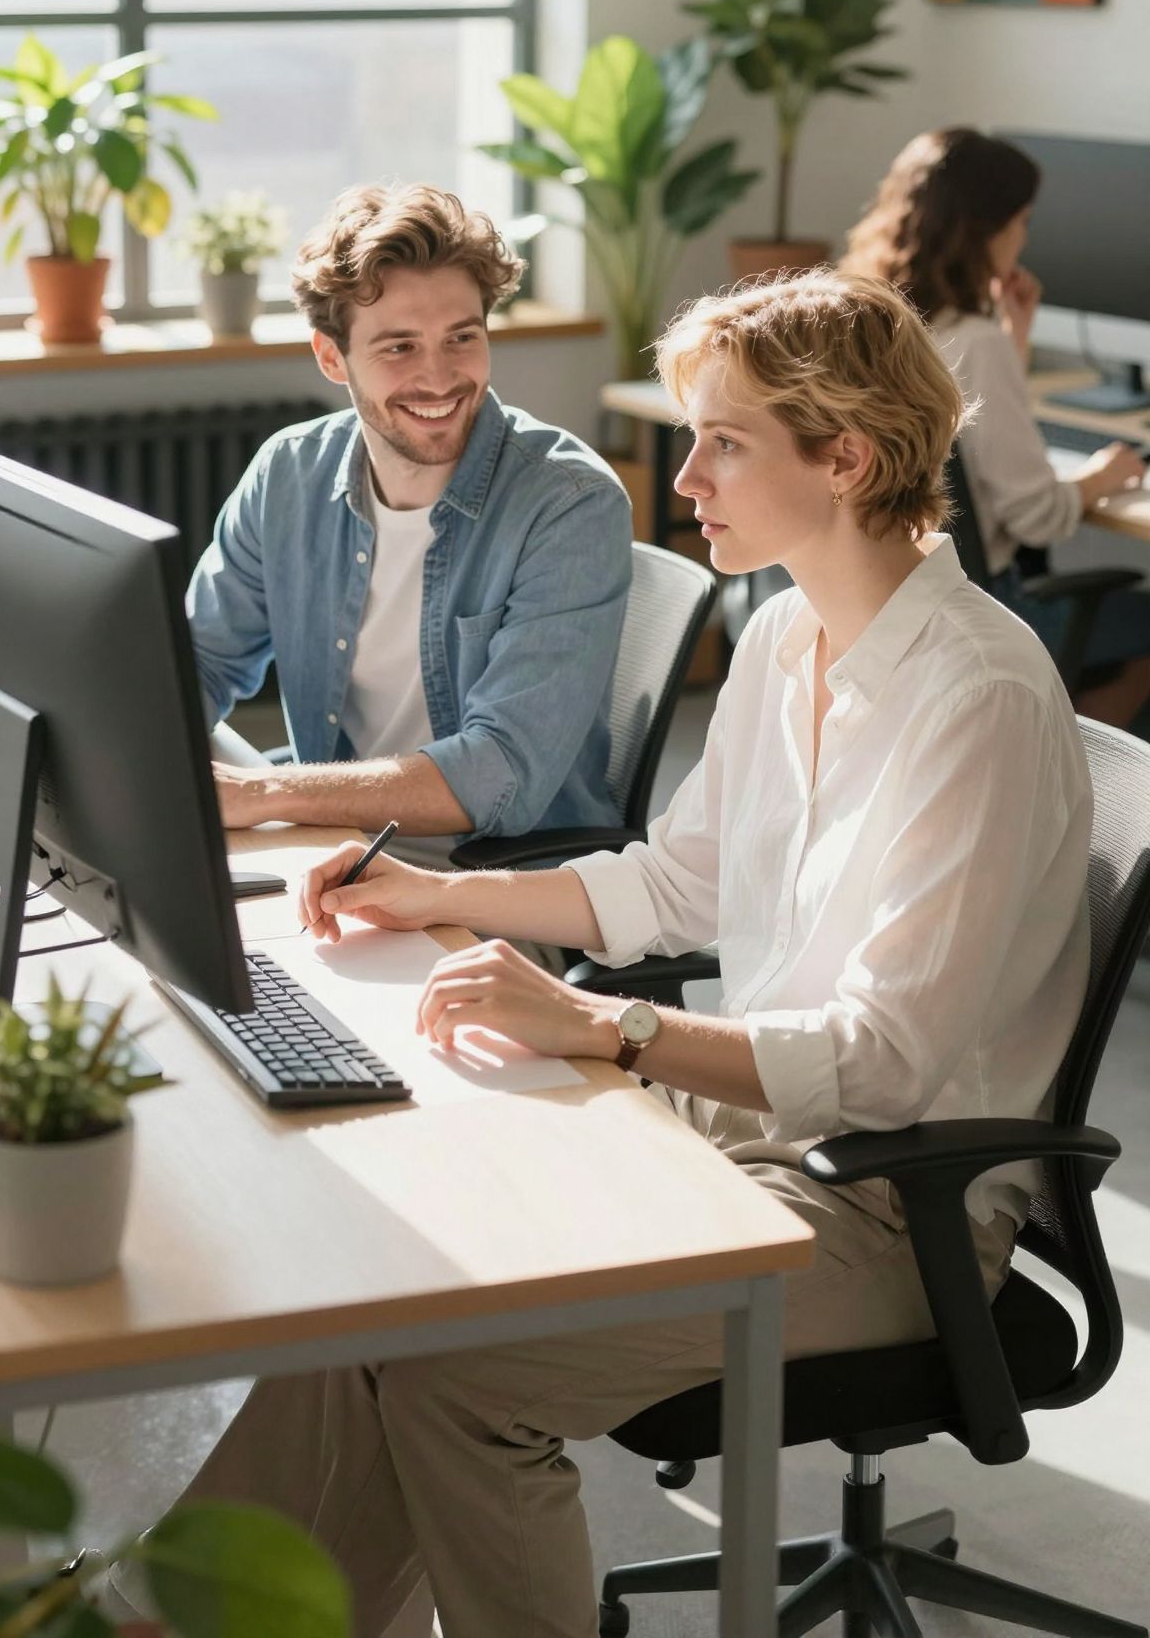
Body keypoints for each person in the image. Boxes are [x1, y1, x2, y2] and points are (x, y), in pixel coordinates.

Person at [108, 270, 1091, 1638]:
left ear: (847, 458)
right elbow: (675, 883)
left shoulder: (971, 698)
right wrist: (428, 892)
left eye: (725, 441)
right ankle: (181, 1616)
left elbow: (880, 1066)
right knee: (382, 1283)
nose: (685, 477)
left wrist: (608, 1034)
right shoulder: (795, 630)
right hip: (743, 1122)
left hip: (888, 1207)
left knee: (464, 1384)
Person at [188, 182, 633, 853]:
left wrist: (264, 795)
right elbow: (193, 663)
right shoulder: (288, 474)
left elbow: (500, 772)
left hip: (497, 888)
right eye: (399, 347)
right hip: (336, 855)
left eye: (462, 337)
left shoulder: (568, 504)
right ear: (331, 357)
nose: (440, 377)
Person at [842, 126, 1150, 725]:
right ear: (983, 230)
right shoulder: (975, 343)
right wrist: (1099, 476)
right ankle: (1087, 778)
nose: (1025, 238)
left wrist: (1016, 344)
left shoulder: (870, 323)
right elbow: (1034, 514)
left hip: (892, 601)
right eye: (1022, 221)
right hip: (982, 610)